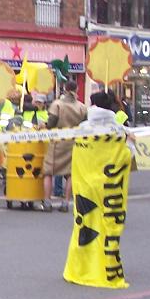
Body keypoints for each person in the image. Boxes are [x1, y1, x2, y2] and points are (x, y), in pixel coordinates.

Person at [43, 81, 87, 212]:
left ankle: (47, 202)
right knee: (70, 174)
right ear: (77, 89)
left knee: (48, 172)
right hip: (73, 142)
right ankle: (65, 202)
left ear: (64, 89)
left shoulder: (57, 104)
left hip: (57, 141)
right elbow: (85, 124)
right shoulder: (82, 107)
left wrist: (44, 125)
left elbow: (51, 123)